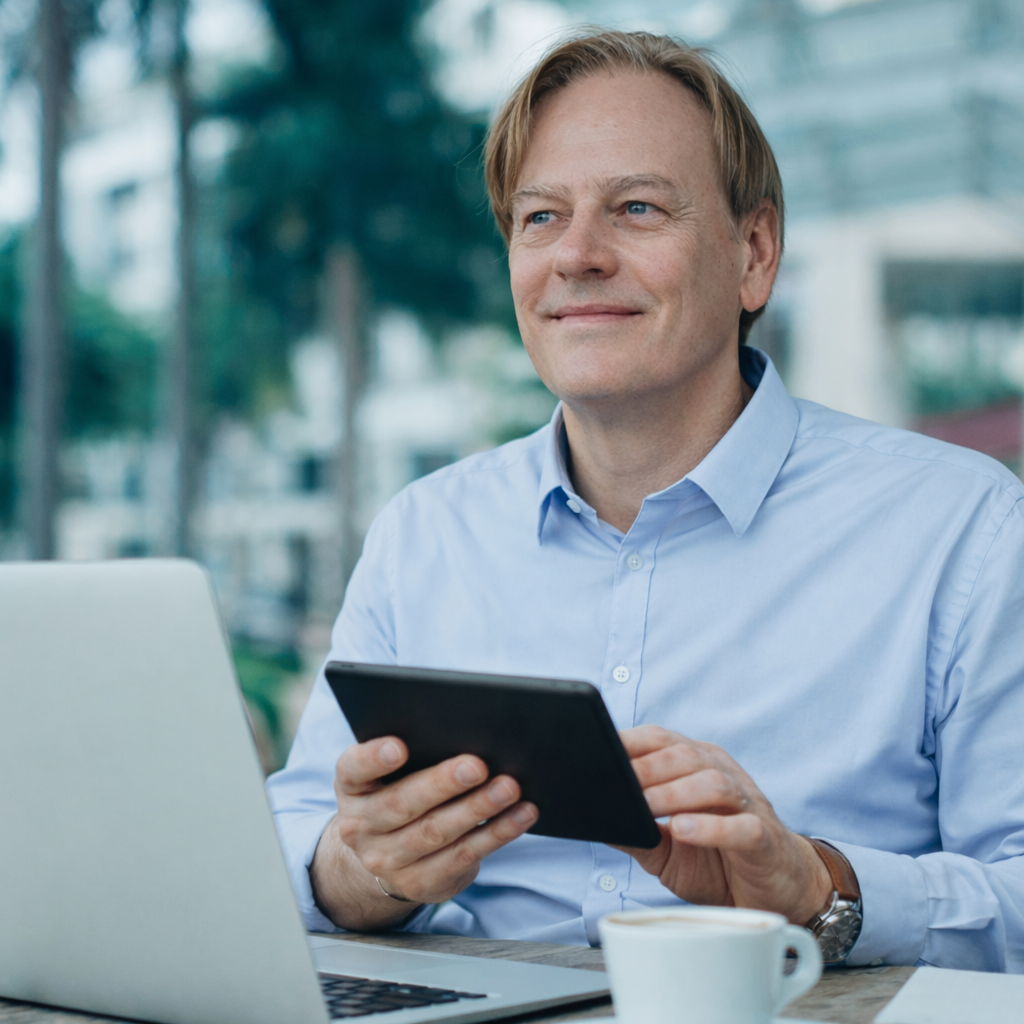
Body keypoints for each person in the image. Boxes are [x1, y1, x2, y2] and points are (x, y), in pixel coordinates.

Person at [267, 30, 1024, 971]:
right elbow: (298, 831)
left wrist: (820, 886)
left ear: (754, 254)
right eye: (540, 218)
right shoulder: (426, 532)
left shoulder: (966, 532)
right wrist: (365, 873)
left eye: (636, 207)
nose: (577, 254)